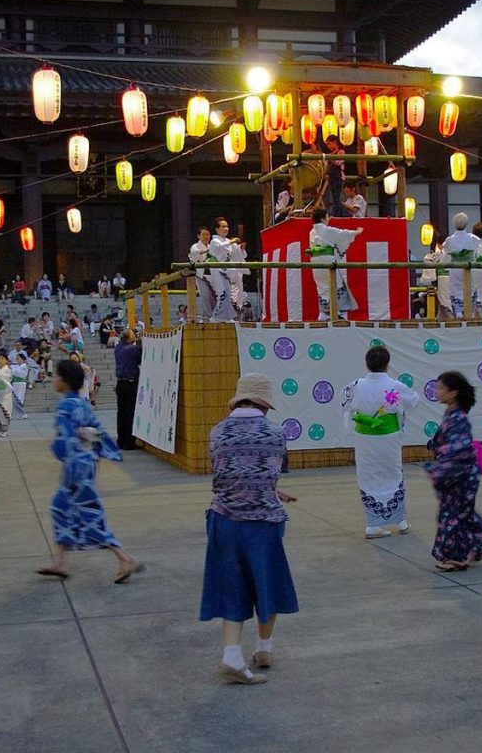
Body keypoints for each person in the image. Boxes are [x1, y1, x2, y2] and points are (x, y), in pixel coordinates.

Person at [200, 373, 298, 685]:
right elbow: (273, 472)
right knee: (265, 582)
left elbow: (223, 474)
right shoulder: (276, 433)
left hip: (225, 519)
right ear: (265, 404)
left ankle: (232, 654)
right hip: (263, 522)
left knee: (233, 584)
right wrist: (271, 491)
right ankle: (264, 649)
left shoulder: (217, 432)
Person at [36, 360, 143, 583]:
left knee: (88, 513)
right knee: (60, 508)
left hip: (75, 468)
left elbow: (63, 441)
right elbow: (99, 432)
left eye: (56, 376)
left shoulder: (66, 406)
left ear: (64, 382)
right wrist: (99, 454)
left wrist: (62, 452)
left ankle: (124, 557)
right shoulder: (82, 404)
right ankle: (61, 561)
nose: (53, 380)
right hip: (85, 464)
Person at [341, 345, 419, 538]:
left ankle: (373, 524)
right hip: (388, 437)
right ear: (387, 364)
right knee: (393, 473)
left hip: (365, 438)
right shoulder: (395, 386)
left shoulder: (356, 385)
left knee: (369, 475)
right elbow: (413, 401)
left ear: (367, 364)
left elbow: (343, 400)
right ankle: (400, 522)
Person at [423, 371, 482, 572]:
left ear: (453, 393)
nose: (437, 391)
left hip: (460, 476)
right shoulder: (452, 415)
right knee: (462, 514)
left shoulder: (458, 419)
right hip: (458, 474)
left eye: (440, 388)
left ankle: (458, 556)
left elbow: (458, 450)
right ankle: (479, 543)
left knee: (453, 515)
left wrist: (440, 469)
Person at [306, 207, 362, 320]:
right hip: (327, 261)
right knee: (337, 285)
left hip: (315, 263)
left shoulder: (312, 232)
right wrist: (356, 232)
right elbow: (342, 234)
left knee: (322, 287)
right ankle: (339, 314)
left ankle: (324, 314)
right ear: (323, 218)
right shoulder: (326, 230)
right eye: (327, 217)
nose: (328, 219)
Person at [442, 213, 479, 318]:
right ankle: (470, 312)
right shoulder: (473, 238)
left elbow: (445, 253)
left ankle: (458, 311)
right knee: (470, 288)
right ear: (466, 224)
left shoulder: (449, 239)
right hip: (468, 267)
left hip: (455, 268)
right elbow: (478, 252)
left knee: (455, 289)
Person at [114, 329, 141, 450]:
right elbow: (140, 357)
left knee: (121, 412)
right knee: (130, 412)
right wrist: (140, 341)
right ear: (129, 338)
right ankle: (129, 441)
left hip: (120, 383)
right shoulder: (132, 349)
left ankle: (121, 439)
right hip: (130, 382)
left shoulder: (118, 348)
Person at [208, 218, 237, 322]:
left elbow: (236, 254)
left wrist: (241, 249)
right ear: (217, 229)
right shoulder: (214, 241)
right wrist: (232, 242)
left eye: (227, 226)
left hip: (226, 271)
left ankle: (226, 316)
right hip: (216, 270)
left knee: (229, 294)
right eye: (223, 226)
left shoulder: (228, 241)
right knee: (222, 294)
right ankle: (215, 316)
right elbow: (220, 247)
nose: (226, 229)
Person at [189, 226, 216, 319]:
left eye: (207, 234)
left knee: (214, 297)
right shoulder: (195, 246)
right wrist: (208, 251)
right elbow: (195, 254)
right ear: (198, 236)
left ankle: (213, 317)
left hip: (213, 275)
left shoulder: (211, 246)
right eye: (203, 234)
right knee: (206, 296)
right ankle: (209, 316)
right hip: (201, 275)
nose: (206, 236)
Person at [322, 135, 346, 217]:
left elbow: (338, 162)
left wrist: (329, 158)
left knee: (337, 197)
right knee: (333, 197)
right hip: (332, 177)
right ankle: (334, 214)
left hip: (338, 177)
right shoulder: (331, 154)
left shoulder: (341, 151)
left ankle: (337, 215)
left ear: (335, 142)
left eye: (329, 144)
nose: (329, 146)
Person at [227, 237, 249, 314]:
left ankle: (238, 305)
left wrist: (242, 249)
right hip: (232, 269)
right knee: (234, 287)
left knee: (239, 288)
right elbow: (231, 253)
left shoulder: (237, 247)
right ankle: (234, 303)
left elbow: (244, 256)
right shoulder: (230, 246)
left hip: (238, 270)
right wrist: (239, 247)